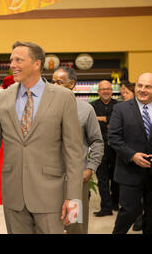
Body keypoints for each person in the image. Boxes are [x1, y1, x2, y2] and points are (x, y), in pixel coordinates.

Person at [0, 41, 83, 234]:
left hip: (51, 195)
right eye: (11, 60)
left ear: (37, 64)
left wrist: (73, 197)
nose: (12, 65)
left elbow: (74, 152)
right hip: (13, 195)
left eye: (19, 60)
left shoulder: (63, 97)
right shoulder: (2, 98)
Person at [52, 66, 104, 234]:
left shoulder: (85, 110)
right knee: (49, 224)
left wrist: (90, 168)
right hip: (47, 179)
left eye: (58, 82)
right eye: (51, 82)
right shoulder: (43, 109)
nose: (53, 85)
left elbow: (97, 141)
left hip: (75, 179)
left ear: (71, 84)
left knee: (75, 224)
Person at [108, 73, 152, 234]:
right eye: (140, 85)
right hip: (129, 170)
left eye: (148, 86)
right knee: (129, 211)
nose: (143, 89)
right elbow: (113, 137)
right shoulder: (121, 108)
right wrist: (132, 155)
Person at [91, 80, 119, 216]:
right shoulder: (92, 106)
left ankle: (115, 203)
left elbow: (116, 123)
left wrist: (101, 119)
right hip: (99, 147)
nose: (106, 91)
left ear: (111, 91)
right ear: (98, 92)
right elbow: (90, 124)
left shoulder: (119, 106)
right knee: (101, 178)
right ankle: (106, 207)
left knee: (116, 177)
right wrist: (108, 120)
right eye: (103, 89)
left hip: (116, 147)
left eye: (108, 89)